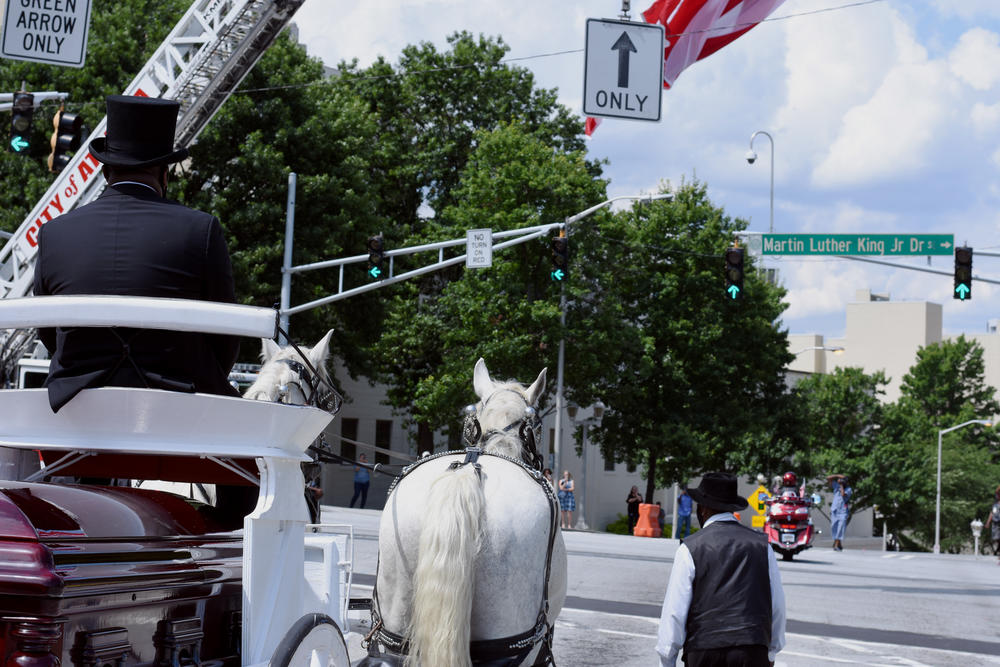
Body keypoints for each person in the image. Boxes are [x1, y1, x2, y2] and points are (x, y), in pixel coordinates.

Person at [34, 95, 239, 414]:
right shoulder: (202, 229)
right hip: (177, 407)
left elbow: (49, 333)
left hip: (76, 409)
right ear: (164, 174)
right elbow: (225, 341)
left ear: (105, 172)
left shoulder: (53, 233)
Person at [656, 473, 786, 667]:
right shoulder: (762, 546)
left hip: (704, 650)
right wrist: (772, 651)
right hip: (752, 648)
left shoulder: (690, 548)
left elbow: (675, 611)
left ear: (704, 508)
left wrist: (667, 659)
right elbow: (777, 604)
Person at [827, 474, 852, 551]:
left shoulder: (849, 489)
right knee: (834, 527)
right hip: (835, 510)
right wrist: (837, 475)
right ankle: (839, 543)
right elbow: (828, 478)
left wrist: (841, 485)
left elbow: (843, 494)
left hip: (843, 511)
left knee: (840, 528)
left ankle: (836, 544)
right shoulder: (836, 486)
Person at [985, 485, 1000, 558]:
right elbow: (992, 513)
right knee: (996, 538)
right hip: (996, 522)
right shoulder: (996, 504)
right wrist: (988, 522)